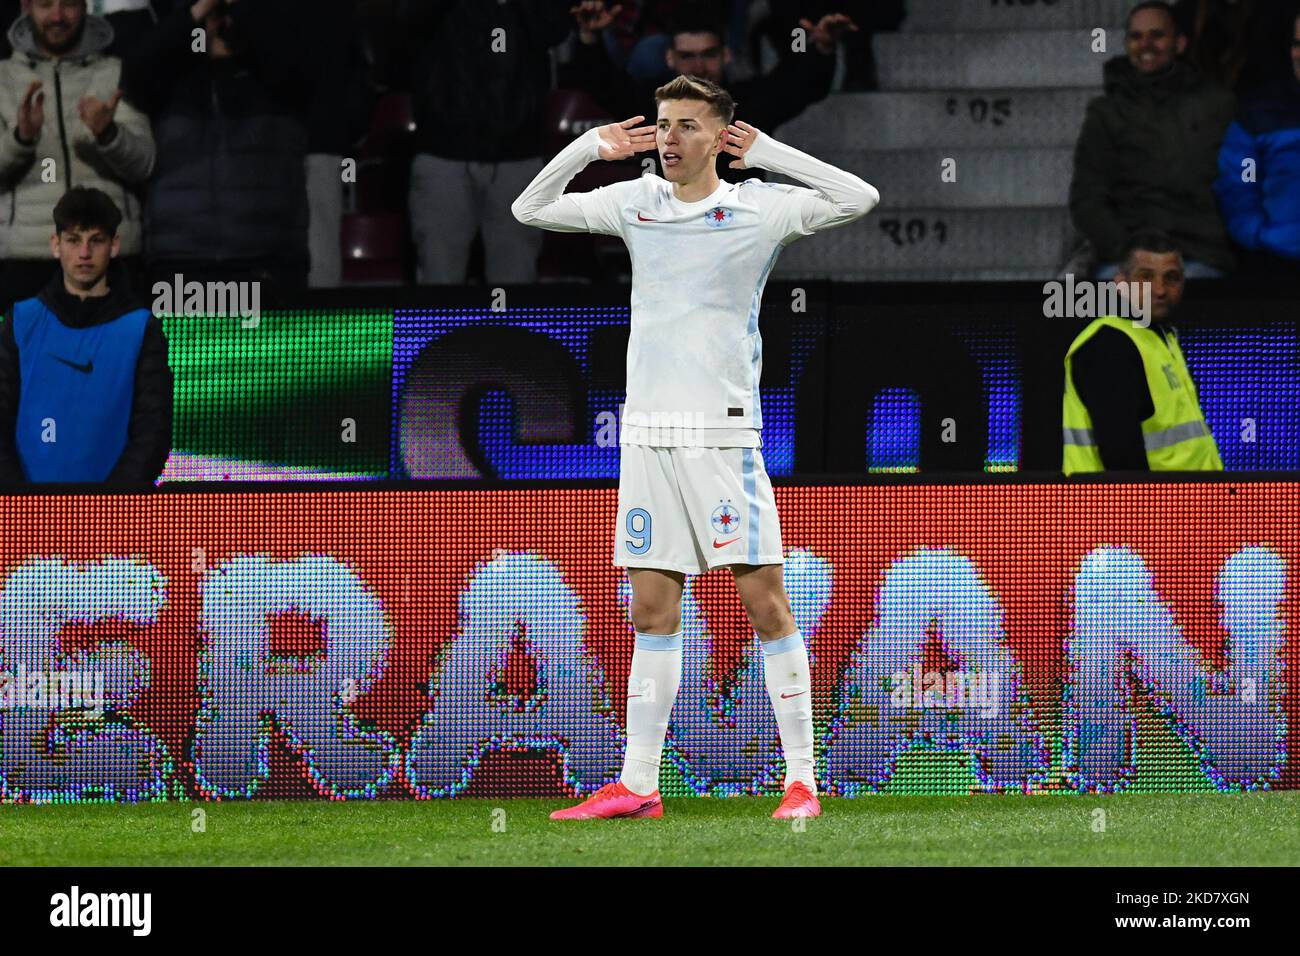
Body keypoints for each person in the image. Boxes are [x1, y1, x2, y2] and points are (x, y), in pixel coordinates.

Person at [512, 74, 879, 819]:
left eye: (685, 125)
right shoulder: (635, 200)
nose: (669, 138)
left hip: (720, 436)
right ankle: (639, 786)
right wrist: (592, 146)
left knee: (764, 604)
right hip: (646, 437)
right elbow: (531, 208)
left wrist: (771, 153)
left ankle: (802, 781)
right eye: (661, 124)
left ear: (721, 136)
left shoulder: (758, 209)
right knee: (651, 611)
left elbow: (858, 197)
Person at [563, 2, 857, 183]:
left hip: (736, 237)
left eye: (708, 55)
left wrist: (822, 48)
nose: (699, 66)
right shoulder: (650, 105)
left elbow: (799, 87)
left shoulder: (748, 105)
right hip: (665, 234)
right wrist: (589, 36)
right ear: (670, 59)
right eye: (688, 57)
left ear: (726, 55)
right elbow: (602, 84)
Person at [0, 186, 172, 484]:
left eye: (96, 240)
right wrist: (20, 501)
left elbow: (152, 429)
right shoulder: (21, 321)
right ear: (56, 244)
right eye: (73, 240)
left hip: (114, 517)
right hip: (26, 516)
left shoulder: (141, 329)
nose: (84, 253)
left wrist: (109, 507)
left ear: (114, 245)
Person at [0, 0, 155, 309]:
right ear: (26, 6)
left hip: (110, 257)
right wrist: (20, 139)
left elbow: (145, 164)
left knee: (118, 358)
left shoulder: (116, 72)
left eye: (69, 4)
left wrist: (108, 135)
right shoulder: (2, 79)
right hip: (27, 260)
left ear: (85, 6)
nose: (57, 16)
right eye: (45, 4)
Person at [1069, 1, 1237, 278]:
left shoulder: (1217, 106)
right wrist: (1127, 251)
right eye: (1136, 37)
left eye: (1157, 35)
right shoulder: (1106, 113)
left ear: (1179, 44)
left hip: (1199, 255)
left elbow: (1242, 180)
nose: (1145, 44)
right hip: (1127, 257)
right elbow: (1087, 198)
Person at [1062, 230, 1223, 474]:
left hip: (1181, 504)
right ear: (1121, 284)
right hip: (1128, 508)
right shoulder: (1109, 346)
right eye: (1145, 277)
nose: (1159, 290)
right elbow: (1121, 454)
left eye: (1171, 278)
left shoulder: (1159, 338)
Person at [1213, 7, 1300, 276]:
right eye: (1298, 44)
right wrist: (1261, 236)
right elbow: (1241, 185)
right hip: (1278, 261)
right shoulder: (1258, 115)